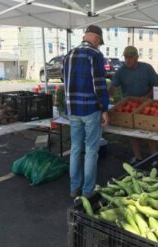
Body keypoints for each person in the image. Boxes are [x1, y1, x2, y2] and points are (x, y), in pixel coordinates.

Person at [63, 25, 109, 198]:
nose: (99, 45)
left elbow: (65, 82)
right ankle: (87, 191)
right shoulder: (95, 55)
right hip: (90, 109)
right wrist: (104, 109)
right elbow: (100, 85)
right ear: (96, 38)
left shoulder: (69, 54)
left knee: (75, 148)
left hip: (72, 109)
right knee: (91, 150)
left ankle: (74, 187)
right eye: (99, 42)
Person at [109, 46, 158, 164]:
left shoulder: (147, 68)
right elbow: (113, 86)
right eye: (126, 58)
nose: (128, 60)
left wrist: (146, 97)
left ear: (137, 57)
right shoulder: (121, 71)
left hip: (146, 104)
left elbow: (156, 86)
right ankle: (138, 157)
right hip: (129, 106)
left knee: (148, 131)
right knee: (131, 132)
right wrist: (108, 91)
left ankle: (156, 157)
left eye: (130, 57)